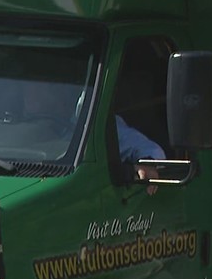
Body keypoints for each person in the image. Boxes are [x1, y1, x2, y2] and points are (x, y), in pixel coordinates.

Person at [22, 80, 165, 194]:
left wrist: (147, 165)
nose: (31, 94)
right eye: (27, 86)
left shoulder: (92, 126)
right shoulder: (10, 129)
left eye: (41, 86)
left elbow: (149, 149)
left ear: (62, 92)